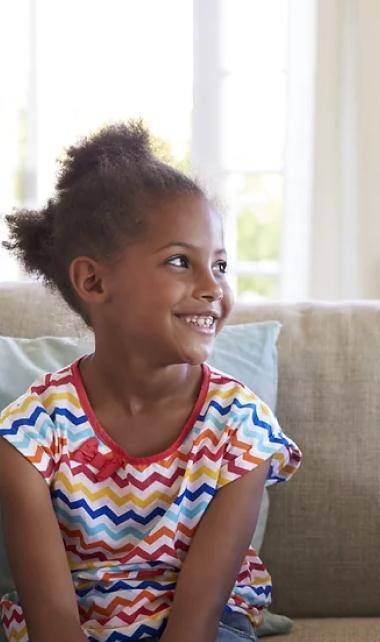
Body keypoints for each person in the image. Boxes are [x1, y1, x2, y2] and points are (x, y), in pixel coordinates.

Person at [0, 122, 301, 642]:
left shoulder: (240, 428)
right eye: (181, 262)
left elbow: (195, 626)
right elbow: (53, 627)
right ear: (93, 281)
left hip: (202, 625)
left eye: (221, 264)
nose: (214, 287)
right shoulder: (30, 434)